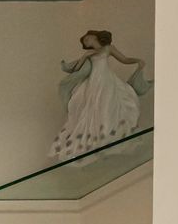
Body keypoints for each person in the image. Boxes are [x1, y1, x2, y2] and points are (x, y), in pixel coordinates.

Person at [52, 29, 150, 160]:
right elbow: (76, 69)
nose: (86, 41)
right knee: (93, 110)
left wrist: (138, 60)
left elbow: (124, 59)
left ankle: (110, 141)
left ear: (95, 36)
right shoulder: (89, 54)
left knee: (107, 108)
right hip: (92, 83)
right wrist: (84, 57)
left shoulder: (108, 48)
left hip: (107, 82)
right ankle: (98, 144)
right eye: (85, 41)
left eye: (87, 38)